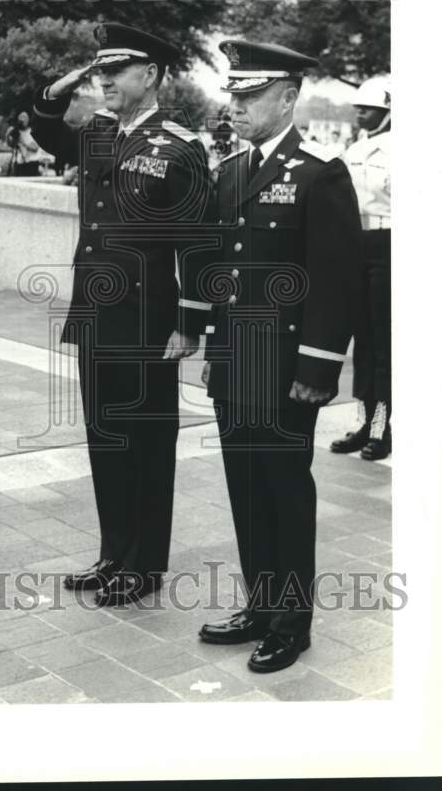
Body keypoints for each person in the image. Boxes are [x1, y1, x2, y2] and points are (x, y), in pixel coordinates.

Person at [31, 22, 213, 607]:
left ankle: (144, 565)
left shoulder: (179, 145)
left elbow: (199, 242)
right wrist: (59, 88)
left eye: (117, 70)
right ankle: (114, 553)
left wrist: (189, 322)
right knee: (105, 439)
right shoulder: (100, 134)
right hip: (95, 313)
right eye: (100, 70)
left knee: (147, 444)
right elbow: (44, 129)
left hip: (147, 320)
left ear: (152, 75)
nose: (105, 79)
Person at [198, 39, 362, 673]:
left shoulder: (320, 172)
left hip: (289, 371)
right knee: (245, 490)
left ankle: (291, 623)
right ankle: (260, 605)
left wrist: (318, 371)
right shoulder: (232, 170)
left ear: (288, 97)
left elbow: (337, 280)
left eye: (250, 95)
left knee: (286, 492)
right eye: (233, 95)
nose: (236, 106)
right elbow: (222, 268)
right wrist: (215, 349)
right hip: (237, 364)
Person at [331, 76, 392, 461]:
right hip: (358, 243)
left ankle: (383, 427)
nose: (359, 114)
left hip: (390, 244)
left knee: (384, 341)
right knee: (362, 340)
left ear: (387, 111)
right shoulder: (354, 147)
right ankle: (364, 421)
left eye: (367, 109)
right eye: (357, 108)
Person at [11, 111, 44, 176]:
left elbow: (35, 148)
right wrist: (8, 135)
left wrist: (22, 142)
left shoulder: (33, 132)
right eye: (20, 117)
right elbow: (11, 145)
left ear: (28, 119)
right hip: (19, 164)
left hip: (31, 164)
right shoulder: (17, 132)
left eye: (24, 117)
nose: (22, 119)